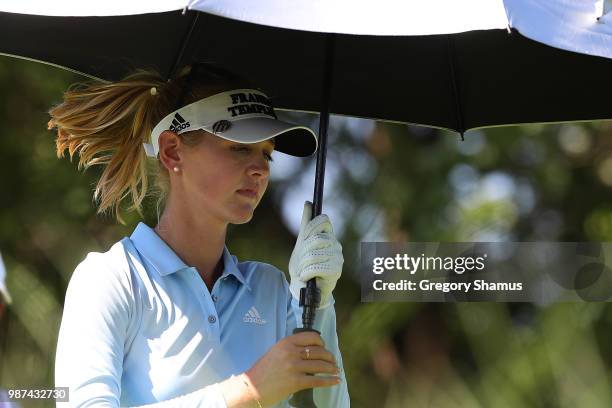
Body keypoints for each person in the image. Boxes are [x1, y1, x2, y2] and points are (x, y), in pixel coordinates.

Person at [50, 62, 349, 407]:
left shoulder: (273, 290)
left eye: (267, 154)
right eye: (240, 147)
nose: (260, 169)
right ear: (172, 151)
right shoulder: (113, 279)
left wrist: (319, 304)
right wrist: (248, 392)